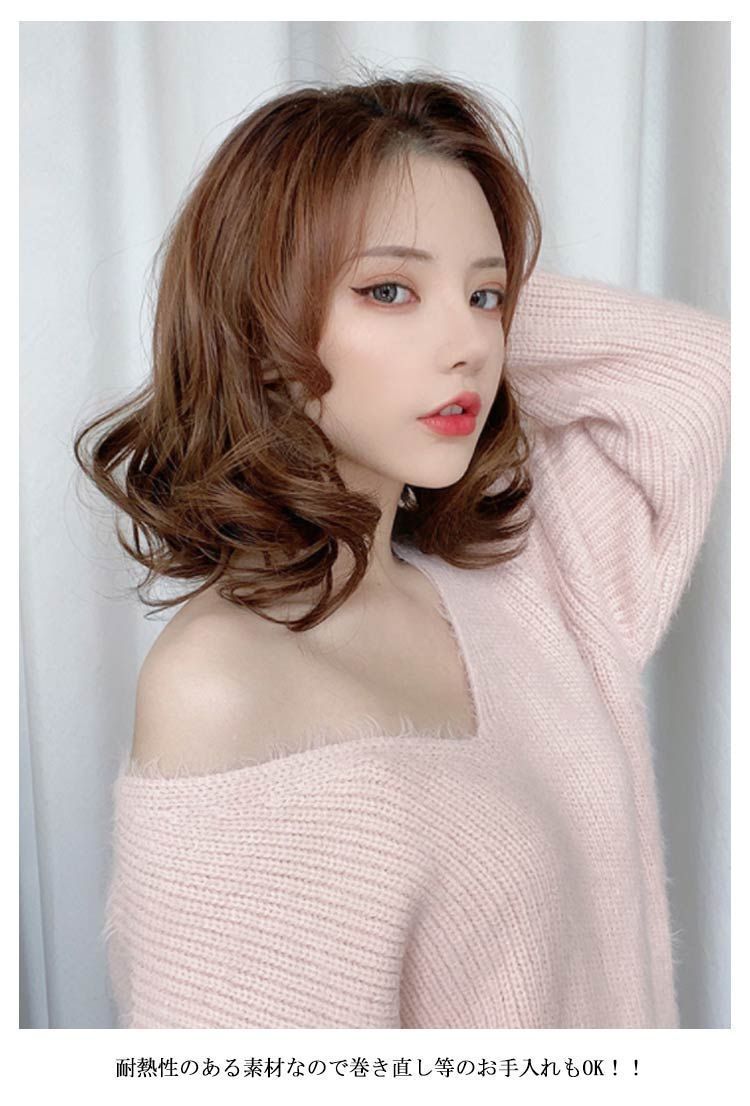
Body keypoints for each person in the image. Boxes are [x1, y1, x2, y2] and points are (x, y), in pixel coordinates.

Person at [74, 73, 730, 1029]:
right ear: (259, 326)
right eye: (388, 289)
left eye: (487, 295)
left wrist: (450, 290)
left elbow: (694, 374)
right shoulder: (221, 682)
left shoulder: (525, 582)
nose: (471, 345)